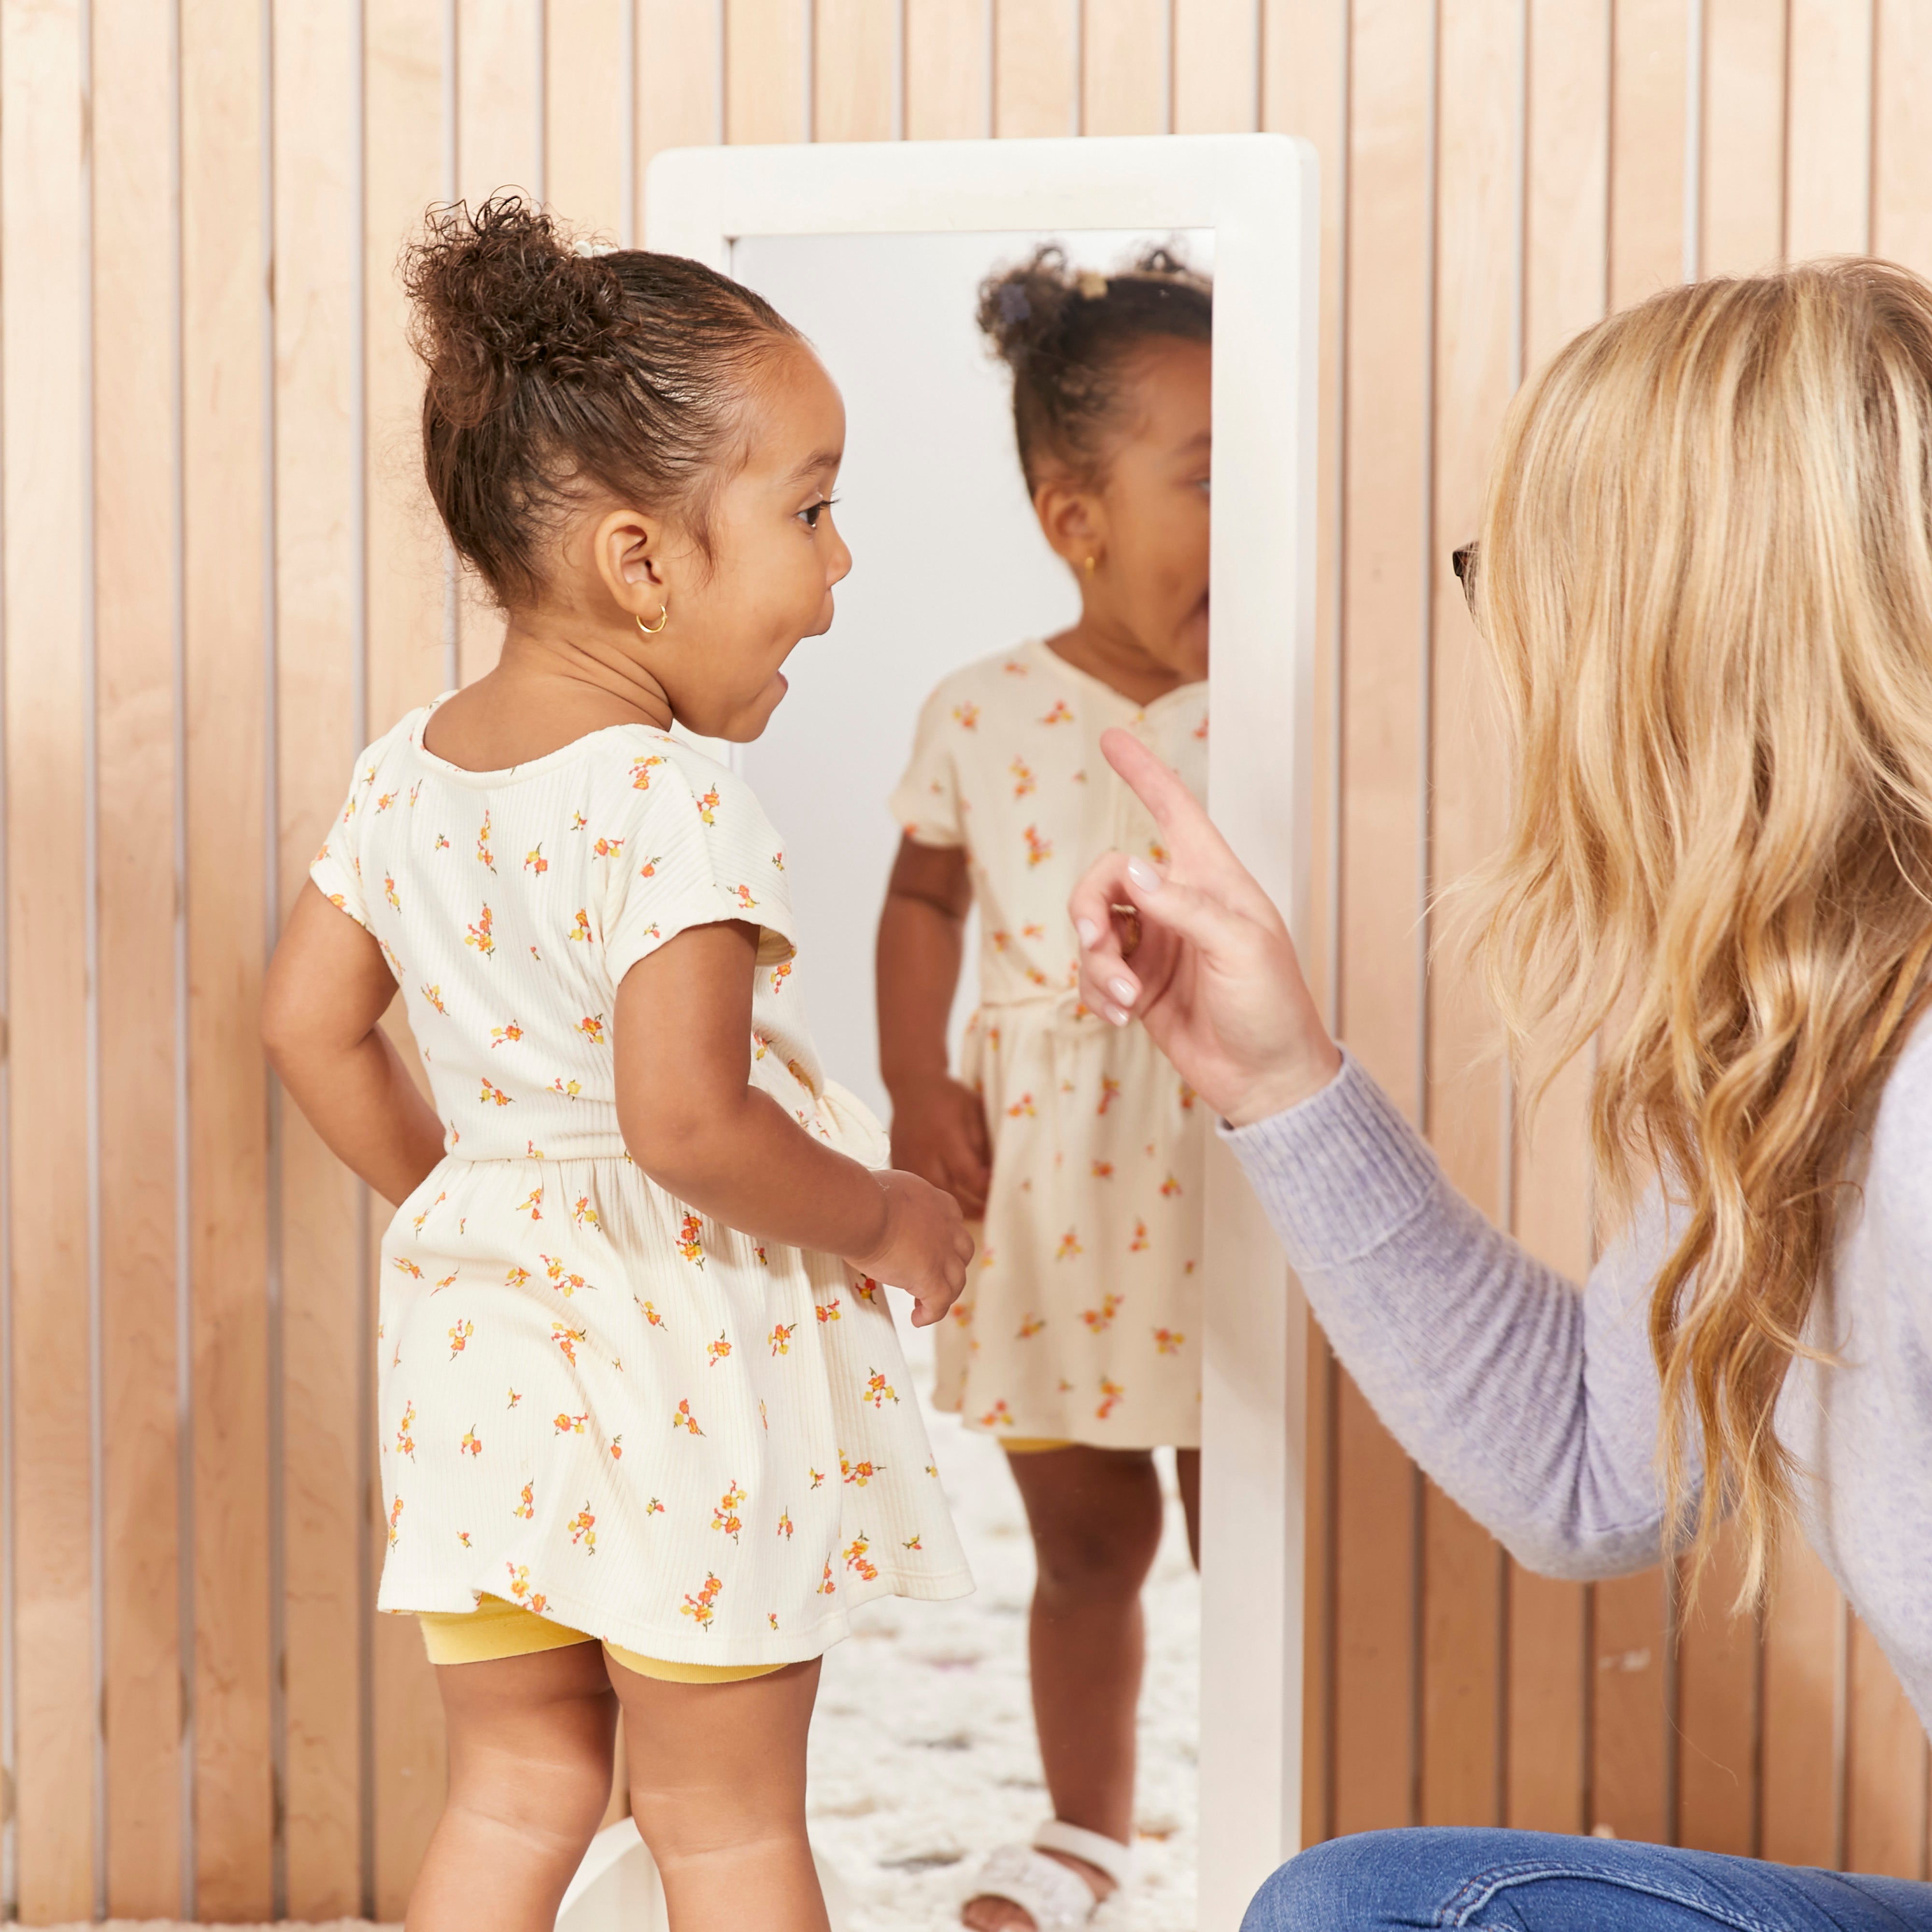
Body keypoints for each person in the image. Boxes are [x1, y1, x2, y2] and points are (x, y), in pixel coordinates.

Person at [1070, 258, 1932, 1930]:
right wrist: (1281, 1081)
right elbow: (1588, 1466)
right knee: (1364, 1908)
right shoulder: (1804, 1055)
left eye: (1515, 583)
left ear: (1680, 634)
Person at [261, 197, 975, 1932]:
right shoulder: (668, 797)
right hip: (675, 1368)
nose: (842, 563)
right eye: (810, 511)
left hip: (478, 1358)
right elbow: (684, 1122)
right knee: (722, 1824)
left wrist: (463, 1192)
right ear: (644, 564)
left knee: (520, 1788)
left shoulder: (403, 775)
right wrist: (884, 1217)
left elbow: (303, 1018)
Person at [874, 243, 1212, 1932]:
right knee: (1090, 1543)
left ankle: (1279, 1787)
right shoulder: (984, 709)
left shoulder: (1284, 701)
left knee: (1258, 1516)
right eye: (1207, 483)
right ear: (1076, 516)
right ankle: (1089, 1828)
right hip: (1053, 1175)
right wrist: (913, 1080)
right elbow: (921, 897)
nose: (1244, 525)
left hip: (1232, 1163)